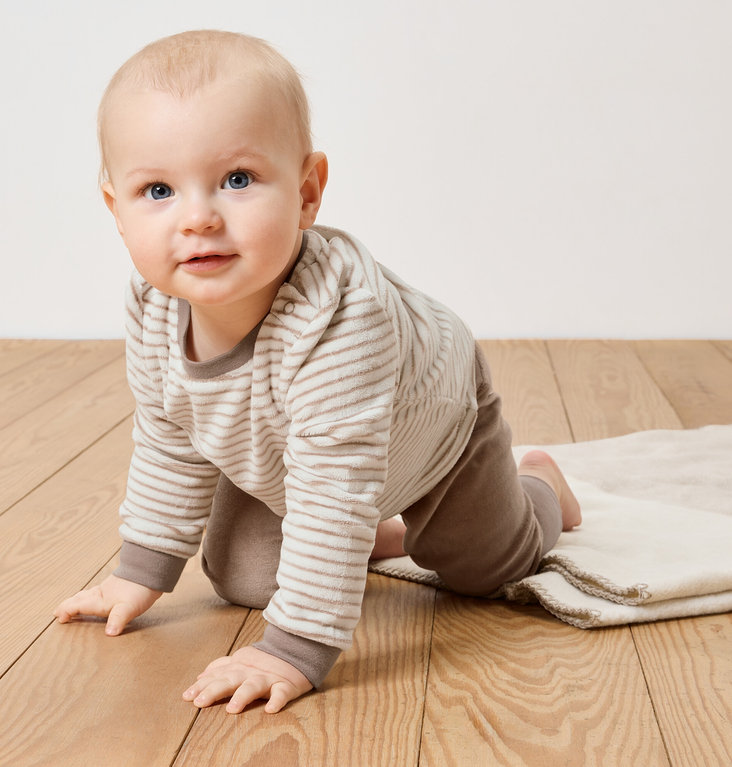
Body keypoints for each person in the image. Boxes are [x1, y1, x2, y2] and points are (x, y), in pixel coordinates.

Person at [55, 29, 581, 715]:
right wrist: (140, 571)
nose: (198, 218)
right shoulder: (153, 306)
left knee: (486, 567)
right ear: (115, 212)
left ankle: (540, 483)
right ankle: (380, 535)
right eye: (157, 189)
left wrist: (293, 648)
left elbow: (334, 483)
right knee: (244, 575)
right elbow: (169, 432)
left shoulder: (338, 321)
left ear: (307, 192)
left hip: (435, 420)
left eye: (237, 180)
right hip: (291, 441)